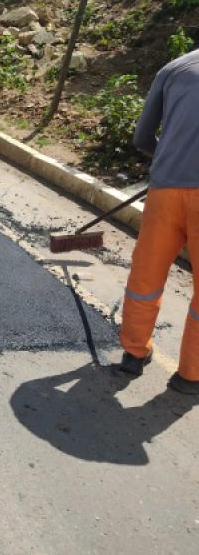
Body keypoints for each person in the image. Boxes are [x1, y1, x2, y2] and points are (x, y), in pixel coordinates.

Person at [119, 43, 199, 395]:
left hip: (165, 190)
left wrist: (168, 158)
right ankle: (190, 375)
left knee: (147, 272)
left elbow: (142, 137)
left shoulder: (175, 68)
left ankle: (134, 353)